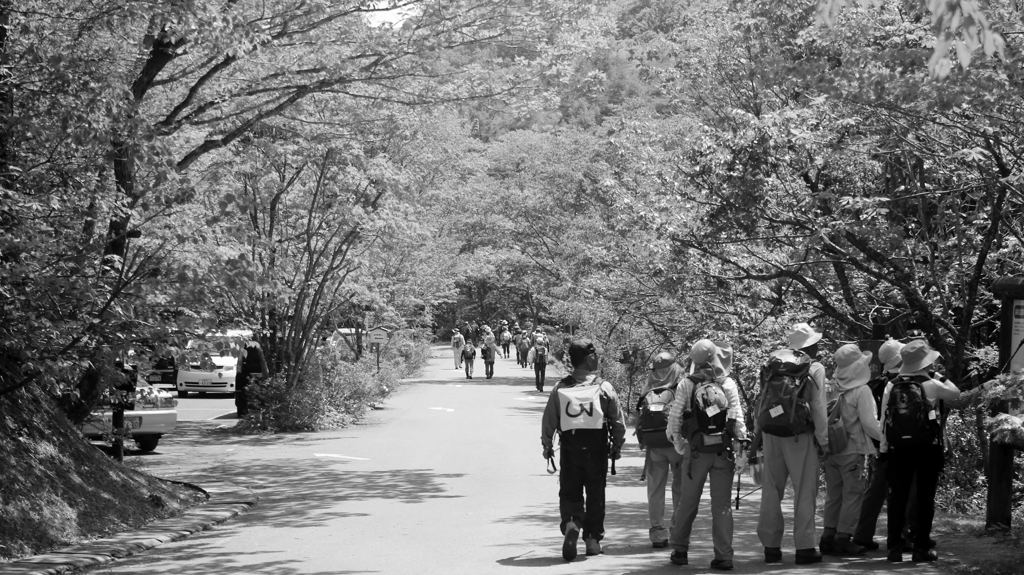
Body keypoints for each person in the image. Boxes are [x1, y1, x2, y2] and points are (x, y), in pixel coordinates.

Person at [540, 339, 626, 561]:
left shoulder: (560, 388)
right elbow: (618, 422)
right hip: (596, 451)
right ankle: (592, 541)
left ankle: (571, 522)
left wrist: (547, 445)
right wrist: (616, 446)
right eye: (596, 355)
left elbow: (549, 420)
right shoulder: (603, 387)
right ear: (589, 359)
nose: (598, 358)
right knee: (596, 494)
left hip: (570, 450)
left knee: (570, 491)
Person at [666, 340, 747, 570]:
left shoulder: (687, 384)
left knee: (687, 502)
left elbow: (674, 419)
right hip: (723, 451)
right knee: (722, 505)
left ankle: (680, 550)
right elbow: (737, 419)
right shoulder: (727, 383)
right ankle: (724, 556)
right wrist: (741, 449)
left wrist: (680, 444)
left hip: (696, 452)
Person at [754, 323, 829, 565]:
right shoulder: (814, 368)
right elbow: (818, 408)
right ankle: (805, 547)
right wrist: (823, 441)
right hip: (800, 435)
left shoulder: (773, 366)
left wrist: (758, 434)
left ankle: (771, 547)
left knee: (771, 490)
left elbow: (762, 402)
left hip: (771, 433)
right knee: (804, 491)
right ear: (811, 346)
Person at [880, 340, 960, 563]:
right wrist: (938, 376)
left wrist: (884, 450)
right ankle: (921, 549)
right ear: (925, 362)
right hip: (927, 448)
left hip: (898, 449)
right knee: (925, 498)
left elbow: (884, 421)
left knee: (897, 498)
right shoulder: (931, 384)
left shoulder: (891, 384)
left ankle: (894, 548)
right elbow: (956, 393)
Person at [820, 344, 883, 556]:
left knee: (834, 494)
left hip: (831, 449)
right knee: (852, 494)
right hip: (853, 450)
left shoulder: (830, 386)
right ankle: (843, 538)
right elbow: (870, 423)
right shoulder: (861, 390)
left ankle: (828, 536)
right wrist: (886, 440)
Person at [854, 338, 904, 550]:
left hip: (879, 448)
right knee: (906, 492)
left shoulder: (875, 385)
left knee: (875, 491)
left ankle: (863, 535)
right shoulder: (909, 383)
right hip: (903, 446)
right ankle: (904, 537)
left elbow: (872, 421)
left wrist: (881, 443)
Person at [637, 351, 686, 549]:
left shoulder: (649, 386)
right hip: (677, 444)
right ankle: (677, 530)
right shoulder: (681, 385)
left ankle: (658, 534)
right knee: (679, 490)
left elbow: (640, 414)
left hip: (654, 447)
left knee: (655, 490)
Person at [236, 338, 269, 418]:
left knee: (242, 393)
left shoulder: (247, 346)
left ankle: (244, 408)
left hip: (247, 373)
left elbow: (240, 364)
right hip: (247, 373)